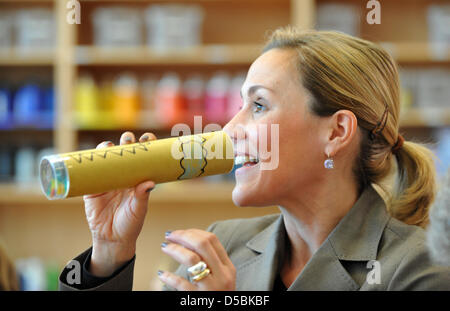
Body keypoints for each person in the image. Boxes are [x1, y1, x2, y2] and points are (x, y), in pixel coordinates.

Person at [59, 27, 450, 290]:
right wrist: (109, 254)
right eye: (240, 105)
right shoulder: (223, 247)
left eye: (259, 105)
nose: (229, 130)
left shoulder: (420, 270)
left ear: (336, 133)